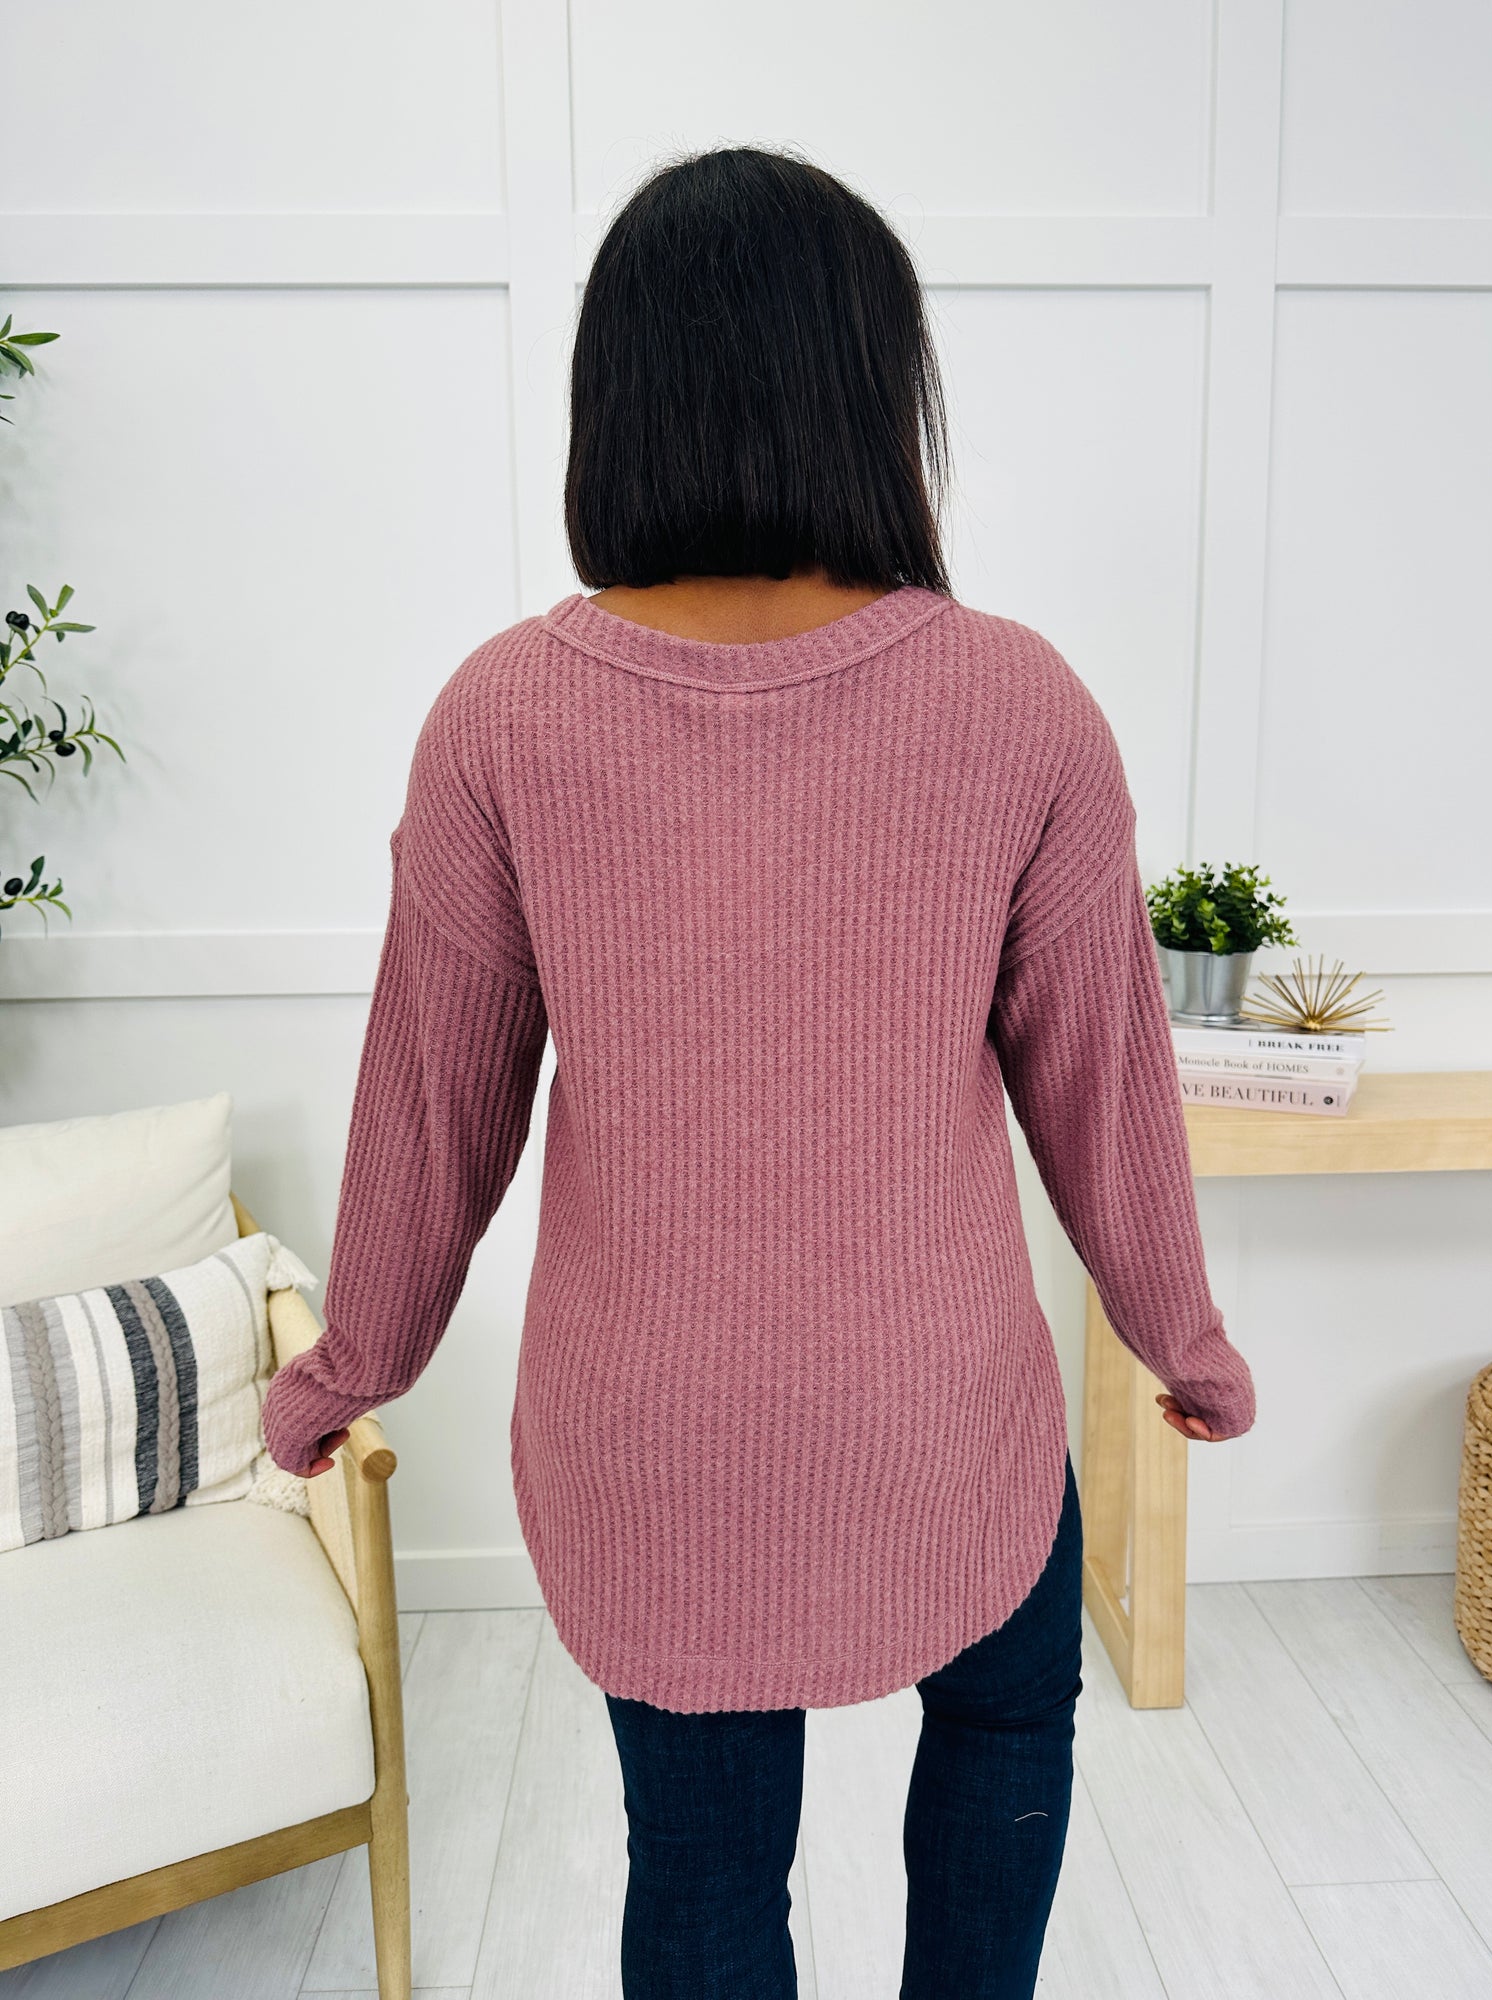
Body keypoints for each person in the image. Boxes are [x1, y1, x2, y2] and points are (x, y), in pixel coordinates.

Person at [262, 145, 1256, 1999]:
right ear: (875, 390)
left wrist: (350, 1364)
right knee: (1011, 1726)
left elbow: (430, 1110)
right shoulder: (1021, 704)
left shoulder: (499, 716)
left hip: (648, 1435)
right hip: (939, 1408)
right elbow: (1103, 1089)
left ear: (619, 394)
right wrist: (1180, 1335)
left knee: (703, 1863)